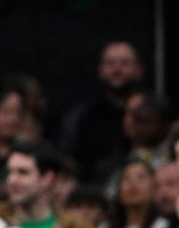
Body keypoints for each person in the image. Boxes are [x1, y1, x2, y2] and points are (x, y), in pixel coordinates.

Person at [60, 42, 145, 184]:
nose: (117, 70)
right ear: (100, 70)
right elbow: (68, 161)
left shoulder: (154, 116)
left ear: (139, 69)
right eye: (110, 63)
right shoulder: (82, 117)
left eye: (124, 63)